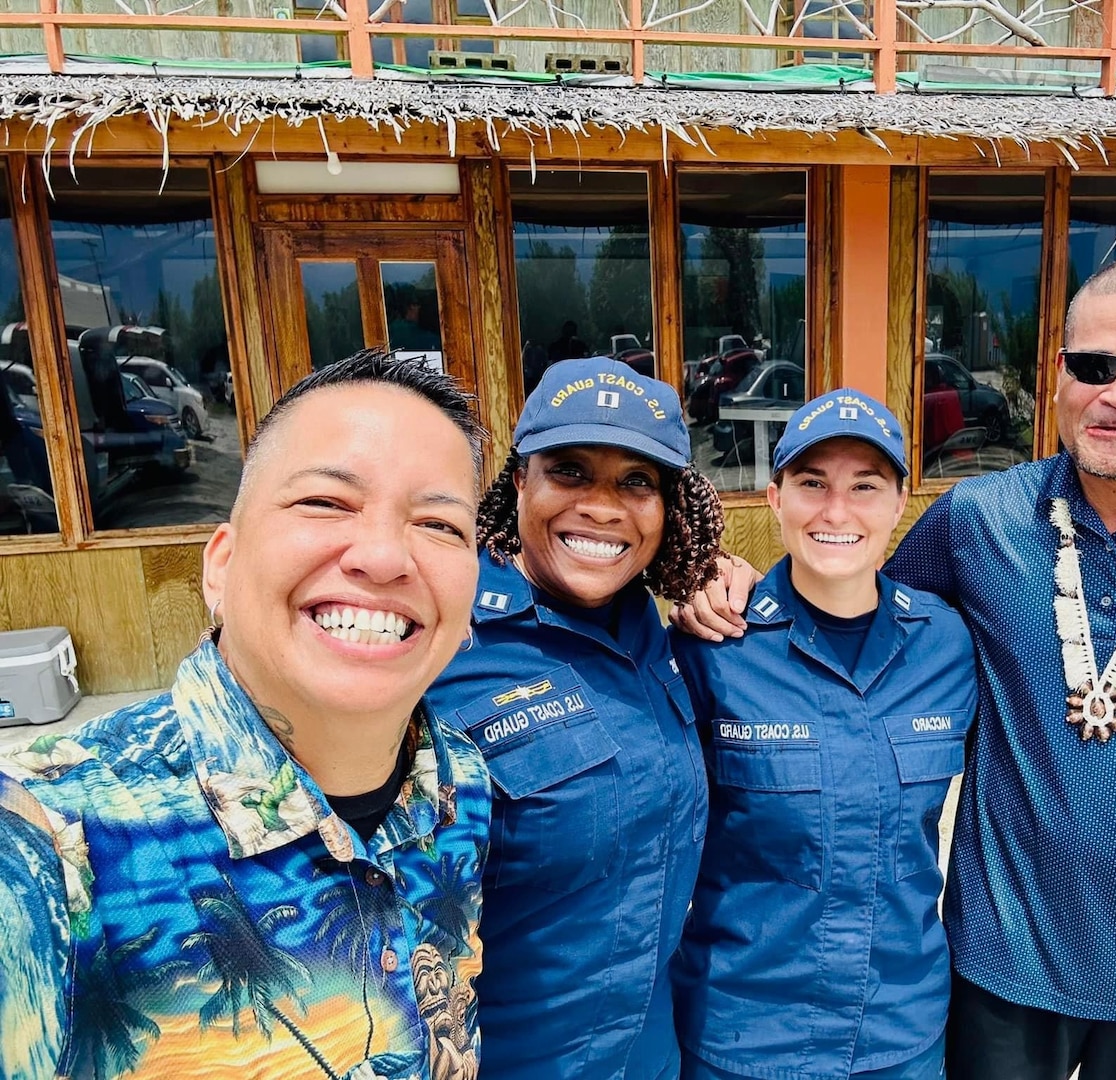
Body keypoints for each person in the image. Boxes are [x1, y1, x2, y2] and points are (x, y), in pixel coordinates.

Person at [676, 254, 1116, 1080]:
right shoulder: (976, 522)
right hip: (997, 972)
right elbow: (849, 584)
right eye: (1095, 365)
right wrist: (720, 579)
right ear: (1058, 373)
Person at [0, 349, 492, 1080]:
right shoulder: (50, 835)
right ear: (220, 565)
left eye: (441, 525)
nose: (387, 555)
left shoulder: (461, 784)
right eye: (326, 501)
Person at [425, 356, 726, 1079]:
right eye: (569, 471)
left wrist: (721, 575)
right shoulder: (440, 641)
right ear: (519, 481)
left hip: (652, 1056)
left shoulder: (662, 633)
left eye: (636, 482)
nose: (601, 506)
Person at [671, 389, 977, 1080]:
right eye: (813, 484)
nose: (836, 512)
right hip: (744, 1037)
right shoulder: (714, 645)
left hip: (900, 1034)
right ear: (775, 498)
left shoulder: (947, 645)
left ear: (901, 502)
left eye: (864, 487)